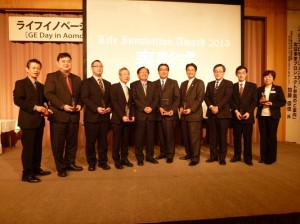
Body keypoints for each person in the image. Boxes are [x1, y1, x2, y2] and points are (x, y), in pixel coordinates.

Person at [44, 52, 83, 177]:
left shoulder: (77, 79)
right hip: (59, 116)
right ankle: (61, 167)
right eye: (63, 61)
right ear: (58, 63)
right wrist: (62, 105)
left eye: (68, 61)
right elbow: (49, 94)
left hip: (74, 116)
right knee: (58, 144)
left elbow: (81, 96)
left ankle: (70, 163)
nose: (66, 63)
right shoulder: (51, 77)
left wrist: (80, 105)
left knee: (72, 143)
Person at [13, 58, 52, 183]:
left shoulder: (41, 86)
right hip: (27, 121)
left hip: (39, 121)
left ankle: (36, 168)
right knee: (28, 148)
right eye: (33, 68)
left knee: (37, 147)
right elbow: (18, 100)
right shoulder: (20, 83)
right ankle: (27, 174)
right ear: (27, 69)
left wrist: (47, 108)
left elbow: (45, 101)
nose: (36, 70)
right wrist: (35, 107)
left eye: (38, 68)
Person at [81, 60, 111, 171]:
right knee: (91, 142)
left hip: (105, 117)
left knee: (103, 142)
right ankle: (92, 162)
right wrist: (96, 108)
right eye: (96, 66)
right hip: (92, 117)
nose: (99, 68)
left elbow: (110, 100)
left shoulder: (108, 83)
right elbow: (85, 98)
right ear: (92, 68)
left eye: (101, 66)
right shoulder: (86, 82)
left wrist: (109, 107)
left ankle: (103, 162)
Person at [204, 64, 233, 165]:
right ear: (213, 72)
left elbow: (227, 97)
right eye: (216, 71)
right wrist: (211, 107)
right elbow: (206, 97)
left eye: (220, 71)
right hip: (212, 114)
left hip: (223, 115)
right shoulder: (210, 84)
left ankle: (222, 158)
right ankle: (213, 156)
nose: (218, 73)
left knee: (222, 137)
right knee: (212, 137)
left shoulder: (229, 83)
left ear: (223, 72)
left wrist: (218, 107)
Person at [130, 67, 159, 166]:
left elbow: (156, 98)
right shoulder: (134, 84)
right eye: (142, 72)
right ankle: (140, 158)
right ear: (138, 74)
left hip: (151, 115)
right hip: (140, 115)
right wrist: (143, 108)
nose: (144, 73)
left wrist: (151, 107)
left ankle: (150, 157)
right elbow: (134, 98)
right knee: (139, 138)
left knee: (151, 138)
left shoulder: (153, 84)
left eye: (146, 72)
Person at [256, 70, 286, 165]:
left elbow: (283, 102)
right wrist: (260, 102)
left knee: (271, 137)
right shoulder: (259, 89)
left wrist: (272, 103)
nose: (267, 78)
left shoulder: (277, 88)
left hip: (273, 116)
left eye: (269, 77)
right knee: (263, 137)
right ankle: (263, 157)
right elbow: (255, 102)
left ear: (273, 78)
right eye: (265, 77)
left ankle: (271, 158)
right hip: (262, 116)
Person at [179, 63, 205, 166]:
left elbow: (199, 99)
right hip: (184, 115)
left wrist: (191, 109)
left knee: (194, 138)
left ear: (195, 71)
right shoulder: (183, 83)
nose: (190, 71)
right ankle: (189, 154)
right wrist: (180, 107)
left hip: (194, 115)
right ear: (186, 71)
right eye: (188, 70)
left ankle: (195, 158)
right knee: (186, 137)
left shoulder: (200, 83)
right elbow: (181, 99)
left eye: (192, 70)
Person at [230, 66, 257, 166]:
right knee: (236, 138)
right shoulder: (232, 86)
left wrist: (249, 112)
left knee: (247, 139)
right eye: (239, 73)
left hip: (247, 117)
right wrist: (236, 111)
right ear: (236, 74)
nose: (241, 74)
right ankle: (237, 156)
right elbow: (231, 101)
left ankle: (248, 158)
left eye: (243, 72)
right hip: (236, 117)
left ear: (246, 74)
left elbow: (254, 101)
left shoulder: (252, 86)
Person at [154, 63, 180, 163]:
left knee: (170, 135)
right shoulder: (154, 83)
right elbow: (153, 99)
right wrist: (159, 107)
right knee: (161, 135)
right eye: (161, 69)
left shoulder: (173, 82)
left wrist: (172, 110)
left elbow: (177, 98)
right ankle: (163, 152)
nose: (163, 71)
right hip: (159, 113)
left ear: (168, 71)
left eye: (165, 69)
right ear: (158, 71)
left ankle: (170, 155)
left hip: (170, 114)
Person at [110, 67, 135, 169]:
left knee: (125, 141)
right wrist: (122, 116)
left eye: (128, 74)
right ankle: (117, 160)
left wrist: (132, 115)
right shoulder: (114, 87)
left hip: (127, 119)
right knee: (117, 140)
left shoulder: (129, 89)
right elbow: (114, 102)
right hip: (117, 119)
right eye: (124, 74)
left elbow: (131, 104)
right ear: (119, 76)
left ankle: (124, 159)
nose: (127, 76)